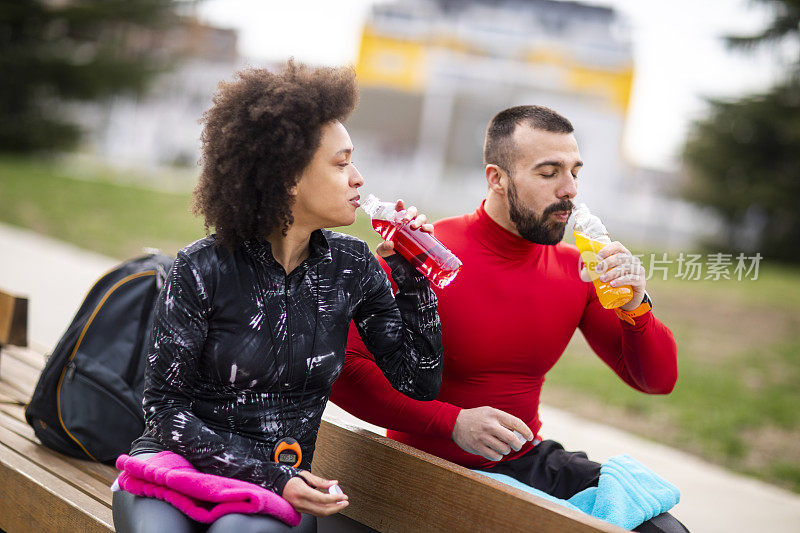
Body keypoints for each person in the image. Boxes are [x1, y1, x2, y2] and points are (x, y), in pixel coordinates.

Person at [111, 61, 444, 533]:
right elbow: (164, 410)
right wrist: (271, 476)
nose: (359, 179)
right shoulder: (203, 267)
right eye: (342, 162)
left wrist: (413, 279)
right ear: (287, 176)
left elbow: (418, 382)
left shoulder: (351, 267)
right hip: (177, 470)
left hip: (277, 491)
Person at [330, 105, 689, 532]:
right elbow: (342, 372)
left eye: (575, 171)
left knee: (662, 528)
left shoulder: (579, 269)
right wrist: (453, 422)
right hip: (423, 469)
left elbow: (656, 380)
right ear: (496, 179)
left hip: (523, 464)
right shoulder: (423, 252)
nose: (569, 189)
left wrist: (637, 309)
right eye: (549, 172)